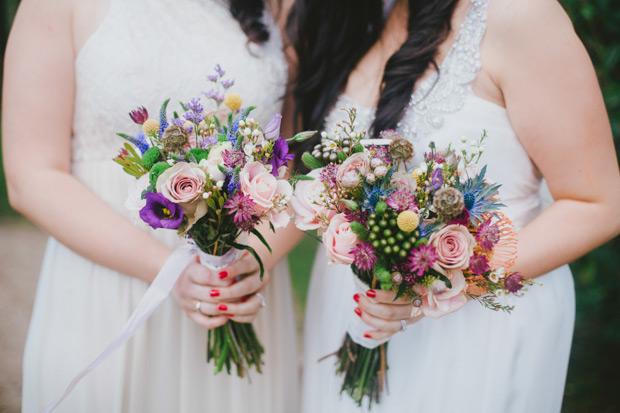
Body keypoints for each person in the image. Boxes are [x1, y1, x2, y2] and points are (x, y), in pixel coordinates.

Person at [288, 0, 620, 411]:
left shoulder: (522, 15)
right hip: (352, 310)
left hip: (474, 328)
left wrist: (437, 286)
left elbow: (596, 203)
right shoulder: (354, 17)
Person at [2, 0, 298, 411]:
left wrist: (258, 255)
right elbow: (31, 175)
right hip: (107, 290)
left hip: (239, 291)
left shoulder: (279, 8)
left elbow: (297, 164)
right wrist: (170, 272)